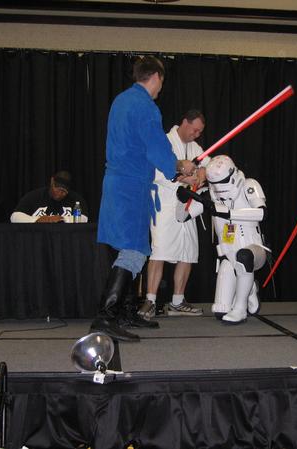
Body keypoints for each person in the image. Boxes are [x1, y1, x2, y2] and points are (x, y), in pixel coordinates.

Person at [90, 55, 196, 342]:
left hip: (116, 183)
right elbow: (157, 148)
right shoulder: (146, 106)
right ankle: (106, 317)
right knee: (134, 250)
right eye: (162, 80)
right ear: (156, 77)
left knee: (126, 248)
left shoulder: (121, 100)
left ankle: (125, 311)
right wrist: (180, 166)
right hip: (132, 186)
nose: (162, 86)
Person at [176, 155, 267, 324]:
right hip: (228, 254)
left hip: (254, 250)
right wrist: (182, 199)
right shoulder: (210, 195)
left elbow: (262, 213)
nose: (219, 188)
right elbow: (182, 217)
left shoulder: (249, 185)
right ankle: (249, 288)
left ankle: (240, 308)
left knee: (244, 257)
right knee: (220, 311)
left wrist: (228, 213)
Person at [138, 110, 210, 320]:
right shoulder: (165, 141)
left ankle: (177, 301)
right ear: (184, 123)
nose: (196, 135)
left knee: (188, 252)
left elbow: (208, 162)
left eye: (200, 132)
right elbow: (154, 171)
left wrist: (203, 172)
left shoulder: (194, 147)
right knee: (159, 251)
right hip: (165, 204)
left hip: (187, 206)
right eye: (194, 130)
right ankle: (150, 300)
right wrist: (181, 178)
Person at [10, 171, 88, 223]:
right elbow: (14, 217)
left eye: (64, 191)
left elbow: (84, 218)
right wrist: (37, 219)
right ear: (52, 182)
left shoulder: (75, 199)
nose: (59, 193)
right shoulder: (34, 196)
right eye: (57, 188)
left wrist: (63, 219)